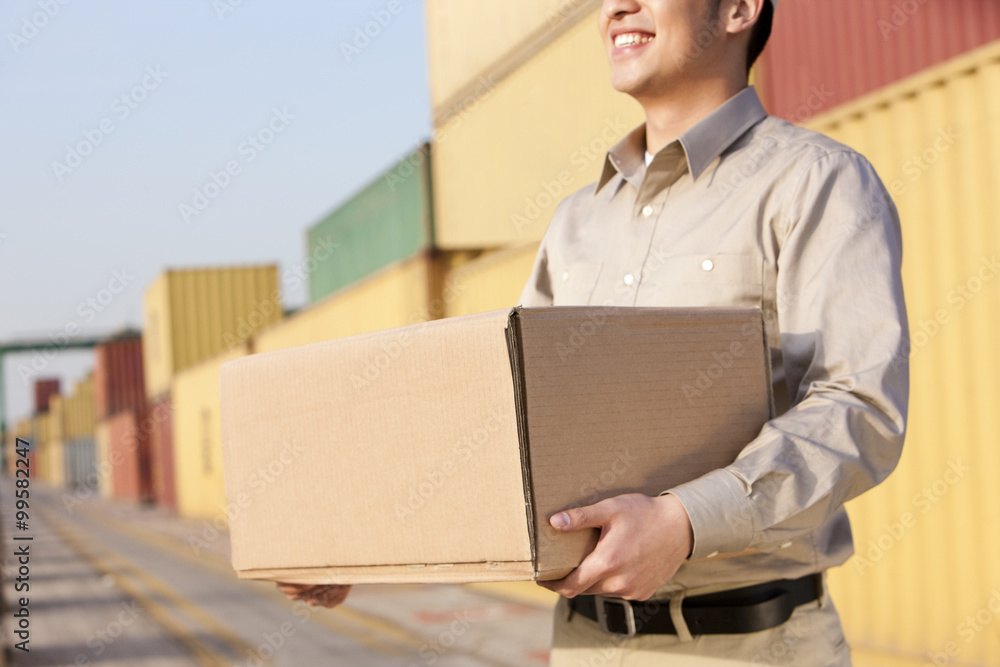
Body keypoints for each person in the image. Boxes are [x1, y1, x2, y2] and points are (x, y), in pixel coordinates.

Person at [280, 1, 909, 664]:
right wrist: (363, 544)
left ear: (738, 9)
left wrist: (683, 522)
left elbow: (860, 409)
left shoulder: (816, 183)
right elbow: (505, 427)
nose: (615, 7)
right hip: (583, 642)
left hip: (748, 643)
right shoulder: (577, 222)